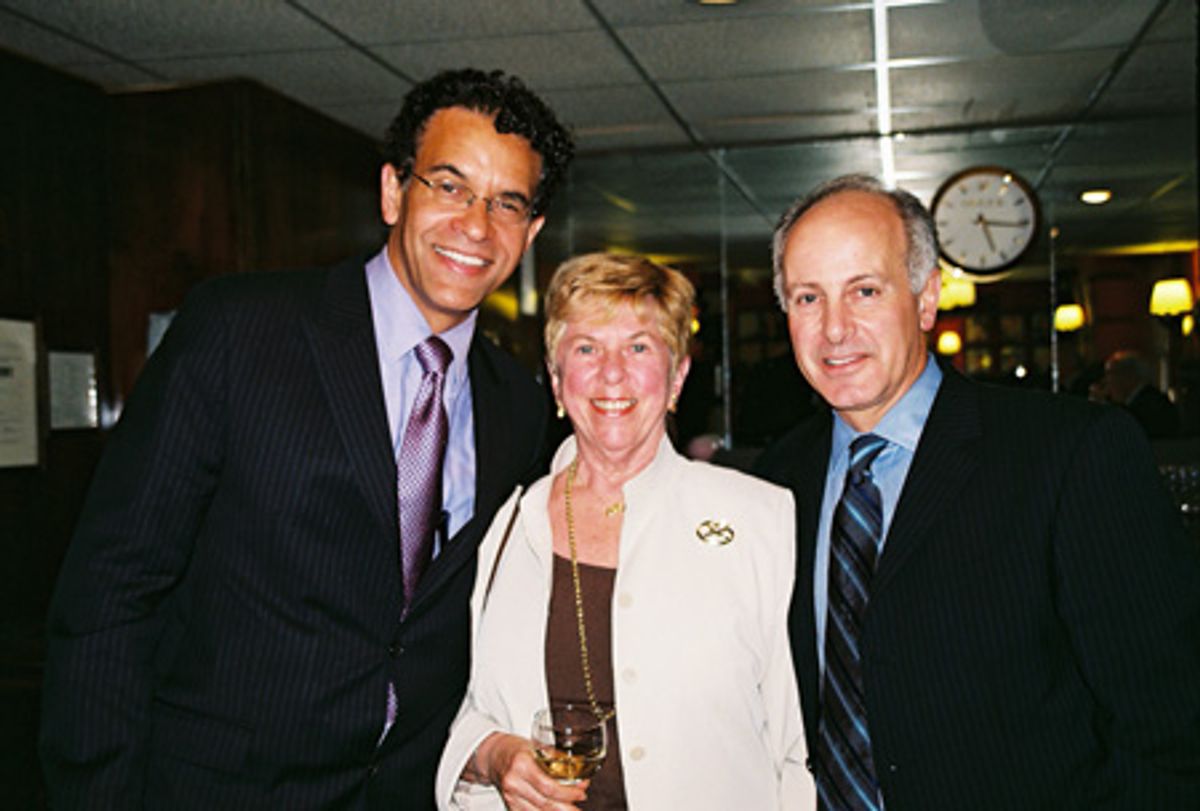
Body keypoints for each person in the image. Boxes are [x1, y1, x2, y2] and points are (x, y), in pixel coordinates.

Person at [39, 68, 573, 809]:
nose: (476, 225)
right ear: (393, 191)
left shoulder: (517, 404)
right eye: (449, 186)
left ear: (531, 231)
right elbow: (111, 589)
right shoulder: (241, 332)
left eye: (506, 202)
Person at [755, 174, 1200, 810]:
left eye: (866, 291)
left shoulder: (1071, 453)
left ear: (927, 298)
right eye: (807, 299)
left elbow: (1167, 720)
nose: (834, 328)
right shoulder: (775, 483)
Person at [435, 253, 814, 810]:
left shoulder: (762, 519)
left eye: (639, 347)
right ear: (558, 380)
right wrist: (494, 755)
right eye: (587, 348)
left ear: (678, 374)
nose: (612, 373)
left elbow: (798, 747)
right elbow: (460, 705)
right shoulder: (505, 525)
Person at [1090, 348, 1181, 439]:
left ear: (1128, 375)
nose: (1106, 381)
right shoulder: (1143, 400)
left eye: (1110, 374)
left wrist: (1102, 405)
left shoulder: (1151, 403)